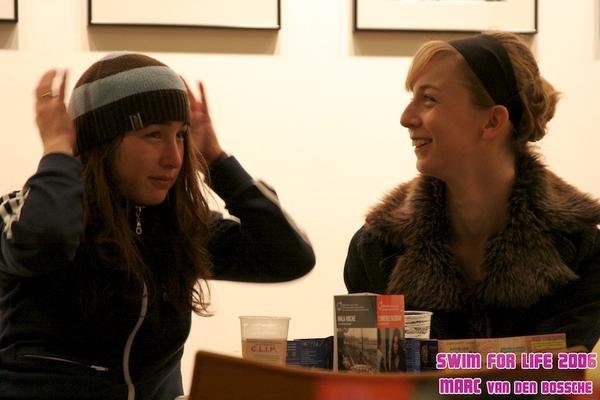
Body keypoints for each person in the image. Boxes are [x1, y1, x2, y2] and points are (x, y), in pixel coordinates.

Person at [0, 52, 315, 399]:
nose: (174, 158)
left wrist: (216, 160)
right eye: (153, 135)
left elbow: (290, 258)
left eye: (180, 135)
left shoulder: (178, 228)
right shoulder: (29, 215)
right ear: (101, 143)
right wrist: (59, 151)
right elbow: (45, 241)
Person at [344, 32, 600, 351]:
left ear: (492, 121)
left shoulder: (581, 250)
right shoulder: (375, 247)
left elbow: (554, 372)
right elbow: (367, 369)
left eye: (429, 99)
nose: (406, 118)